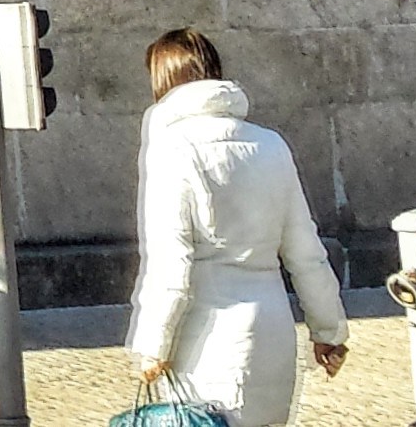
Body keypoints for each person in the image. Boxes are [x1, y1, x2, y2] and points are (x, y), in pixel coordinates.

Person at [126, 26, 349, 427]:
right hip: (273, 334)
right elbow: (305, 252)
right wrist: (328, 330)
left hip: (208, 342)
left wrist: (152, 346)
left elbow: (170, 263)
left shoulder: (173, 148)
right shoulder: (271, 144)